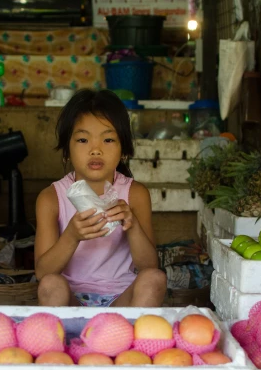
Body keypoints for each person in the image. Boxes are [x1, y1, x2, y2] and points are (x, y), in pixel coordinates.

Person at [34, 89, 167, 307]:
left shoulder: (134, 194)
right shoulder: (51, 198)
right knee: (50, 285)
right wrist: (72, 235)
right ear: (67, 149)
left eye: (108, 139)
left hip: (121, 300)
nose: (96, 150)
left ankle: (135, 339)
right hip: (72, 300)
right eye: (83, 139)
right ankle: (57, 339)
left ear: (123, 149)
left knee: (155, 279)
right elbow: (42, 273)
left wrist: (131, 224)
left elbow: (149, 265)